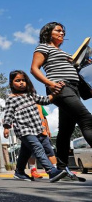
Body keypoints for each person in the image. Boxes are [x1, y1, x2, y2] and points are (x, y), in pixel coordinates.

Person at [31, 22, 92, 176]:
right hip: (61, 88)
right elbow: (34, 68)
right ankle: (61, 167)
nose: (62, 33)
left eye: (63, 31)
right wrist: (50, 84)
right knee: (86, 119)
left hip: (73, 88)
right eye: (58, 30)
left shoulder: (63, 52)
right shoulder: (43, 47)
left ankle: (60, 168)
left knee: (66, 130)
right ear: (48, 33)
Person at [3, 70, 67, 183]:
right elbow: (8, 113)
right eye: (17, 80)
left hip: (36, 128)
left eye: (23, 80)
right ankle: (51, 171)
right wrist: (6, 127)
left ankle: (19, 172)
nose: (21, 83)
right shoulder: (11, 98)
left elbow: (46, 100)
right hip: (24, 130)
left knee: (25, 152)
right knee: (38, 148)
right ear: (11, 83)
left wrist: (57, 91)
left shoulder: (31, 95)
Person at [28, 105, 57, 179]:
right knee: (32, 153)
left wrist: (48, 130)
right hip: (31, 134)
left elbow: (44, 118)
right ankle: (33, 171)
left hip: (43, 133)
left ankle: (56, 169)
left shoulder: (40, 106)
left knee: (49, 151)